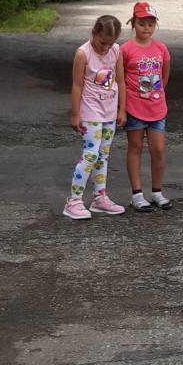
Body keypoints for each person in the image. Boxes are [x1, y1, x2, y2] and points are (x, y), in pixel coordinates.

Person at [66, 15, 128, 218]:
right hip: (90, 111)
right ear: (94, 33)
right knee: (90, 155)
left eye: (110, 44)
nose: (105, 48)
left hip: (109, 111)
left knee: (103, 156)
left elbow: (120, 81)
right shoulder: (83, 53)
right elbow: (77, 85)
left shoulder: (116, 51)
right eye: (102, 43)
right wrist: (75, 114)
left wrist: (122, 109)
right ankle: (74, 201)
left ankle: (99, 198)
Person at [123, 1, 174, 210]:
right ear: (133, 23)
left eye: (151, 24)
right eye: (142, 23)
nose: (146, 28)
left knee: (158, 149)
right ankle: (137, 194)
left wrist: (157, 93)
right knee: (135, 147)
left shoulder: (161, 48)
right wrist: (122, 107)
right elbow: (120, 78)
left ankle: (157, 192)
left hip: (157, 107)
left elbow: (165, 75)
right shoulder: (125, 49)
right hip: (134, 107)